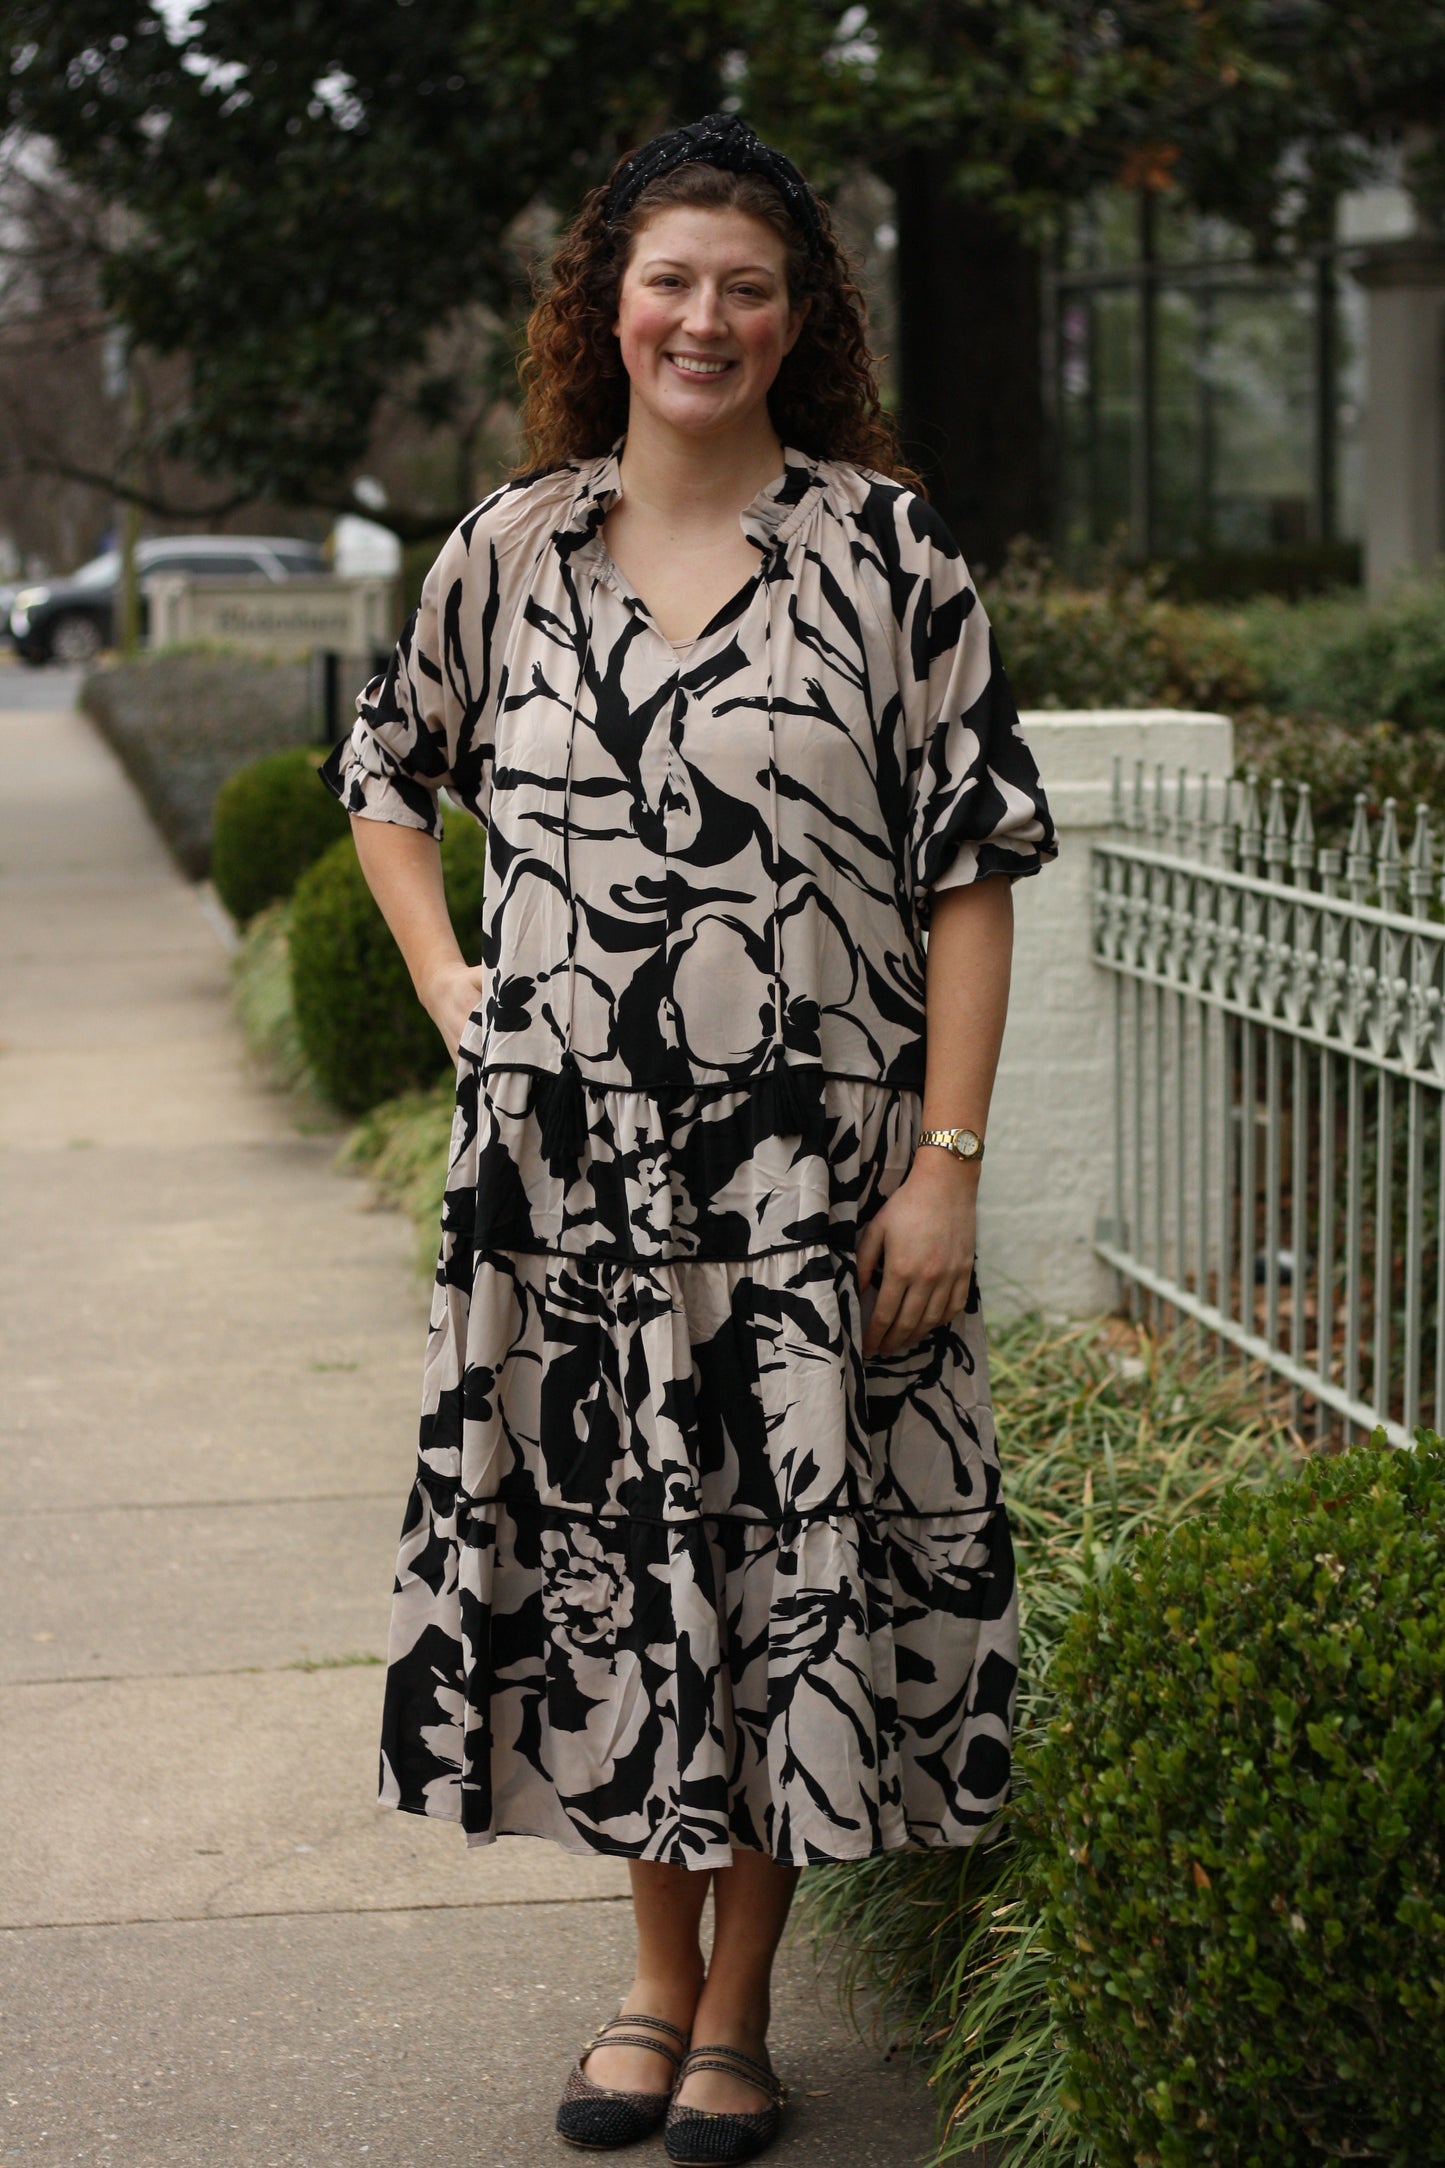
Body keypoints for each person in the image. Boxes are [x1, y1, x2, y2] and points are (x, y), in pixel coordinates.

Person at [322, 111, 1058, 2168]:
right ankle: (649, 1984)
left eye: (749, 283)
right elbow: (385, 775)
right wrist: (448, 980)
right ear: (610, 303)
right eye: (672, 280)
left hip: (817, 1191)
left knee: (791, 1577)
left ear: (802, 314)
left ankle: (740, 2011)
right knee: (623, 1578)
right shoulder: (511, 546)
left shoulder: (888, 558)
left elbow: (974, 877)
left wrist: (949, 1163)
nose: (706, 316)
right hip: (572, 1193)